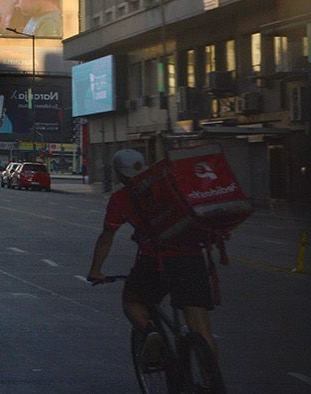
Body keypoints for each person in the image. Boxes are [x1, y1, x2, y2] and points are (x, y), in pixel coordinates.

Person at [86, 148, 219, 384]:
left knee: (132, 301)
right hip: (191, 257)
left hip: (155, 262)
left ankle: (150, 331)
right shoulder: (171, 184)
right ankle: (212, 381)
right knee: (200, 326)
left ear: (119, 174)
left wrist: (96, 270)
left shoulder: (121, 198)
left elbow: (107, 237)